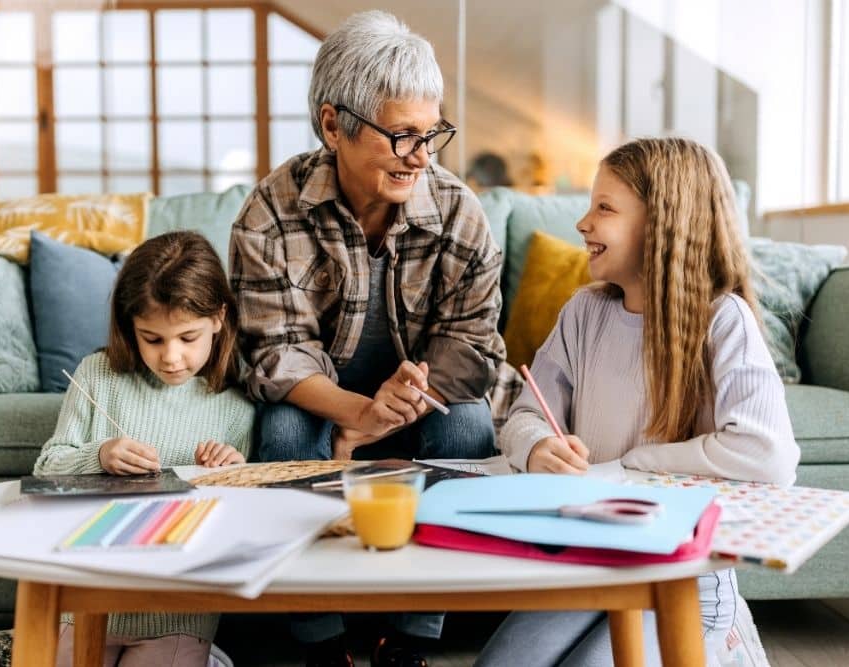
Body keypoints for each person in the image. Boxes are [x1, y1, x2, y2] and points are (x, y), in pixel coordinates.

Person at [229, 10, 511, 667]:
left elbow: (473, 345)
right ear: (333, 125)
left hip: (420, 401)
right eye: (401, 135)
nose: (421, 155)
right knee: (283, 435)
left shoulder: (459, 212)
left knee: (468, 428)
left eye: (432, 133)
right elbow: (272, 355)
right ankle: (320, 640)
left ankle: (413, 637)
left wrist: (411, 394)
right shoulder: (270, 213)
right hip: (321, 400)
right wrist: (358, 413)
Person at [481, 137, 800, 666]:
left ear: (663, 225)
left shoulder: (723, 320)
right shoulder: (583, 314)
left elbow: (767, 455)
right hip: (592, 566)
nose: (583, 223)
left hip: (681, 584)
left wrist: (629, 465)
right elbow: (525, 414)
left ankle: (728, 649)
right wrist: (537, 445)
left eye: (604, 208)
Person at [34, 231, 255, 667]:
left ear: (218, 317)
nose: (171, 357)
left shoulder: (235, 400)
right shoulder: (97, 375)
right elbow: (45, 470)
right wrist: (97, 456)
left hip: (178, 611)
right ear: (129, 326)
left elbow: (238, 518)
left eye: (187, 338)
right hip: (87, 598)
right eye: (152, 339)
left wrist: (231, 472)